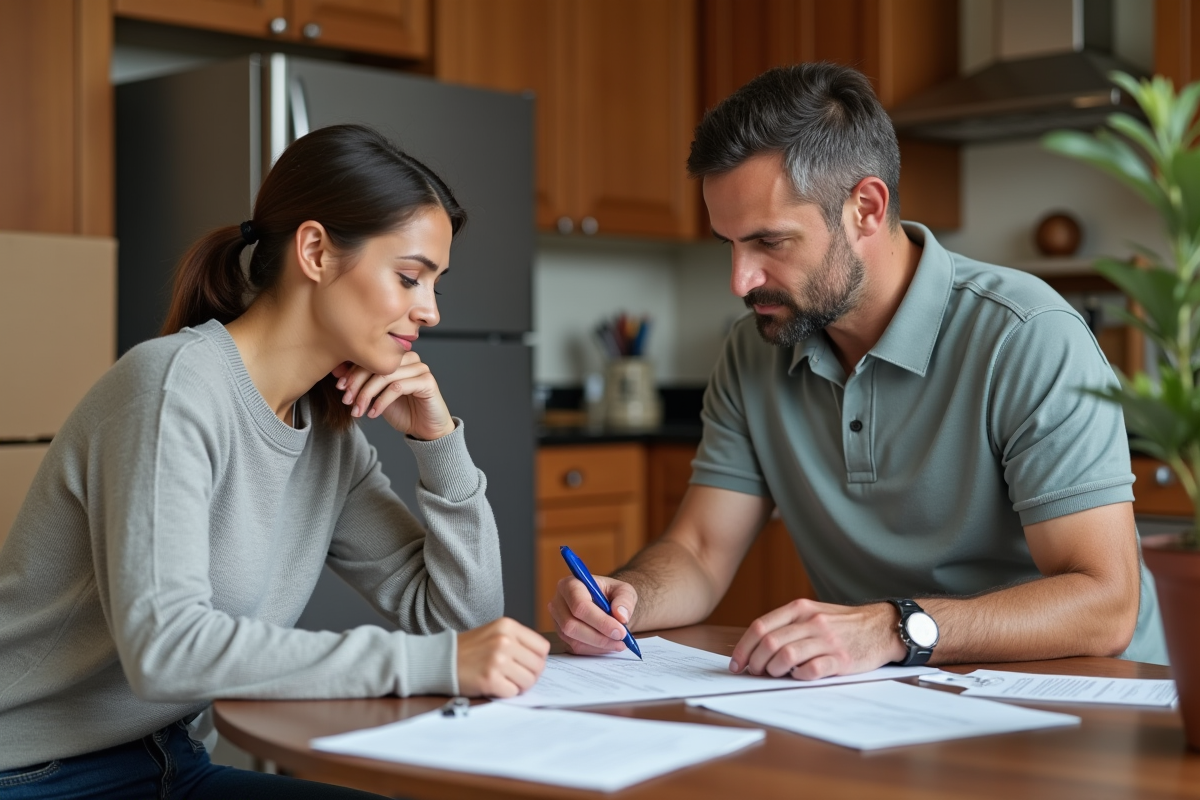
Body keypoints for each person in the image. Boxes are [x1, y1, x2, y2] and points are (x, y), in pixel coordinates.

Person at [550, 63, 1168, 678]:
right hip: (887, 694)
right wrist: (626, 599)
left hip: (1078, 695)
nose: (740, 280)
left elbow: (1105, 605)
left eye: (769, 242)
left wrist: (893, 627)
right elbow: (701, 551)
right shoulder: (753, 351)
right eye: (729, 244)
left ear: (865, 208)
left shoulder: (1026, 335)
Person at [0, 124, 549, 799]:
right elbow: (165, 650)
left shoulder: (328, 436)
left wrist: (440, 446)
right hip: (33, 775)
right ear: (314, 251)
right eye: (409, 277)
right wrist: (430, 663)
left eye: (436, 284)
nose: (430, 311)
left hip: (170, 763)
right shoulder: (173, 390)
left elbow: (461, 624)